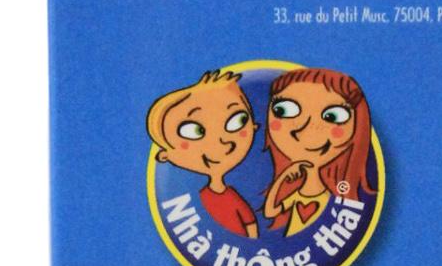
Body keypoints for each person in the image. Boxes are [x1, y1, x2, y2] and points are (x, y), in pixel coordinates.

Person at [146, 68, 258, 238]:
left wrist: (251, 244)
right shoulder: (193, 199)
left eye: (237, 121)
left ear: (253, 126)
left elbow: (250, 222)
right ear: (164, 155)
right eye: (193, 131)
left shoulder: (230, 195)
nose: (222, 142)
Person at [262, 67, 374, 235]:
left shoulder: (335, 200)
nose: (306, 128)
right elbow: (269, 211)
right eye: (284, 110)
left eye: (333, 116)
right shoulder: (297, 195)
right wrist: (284, 177)